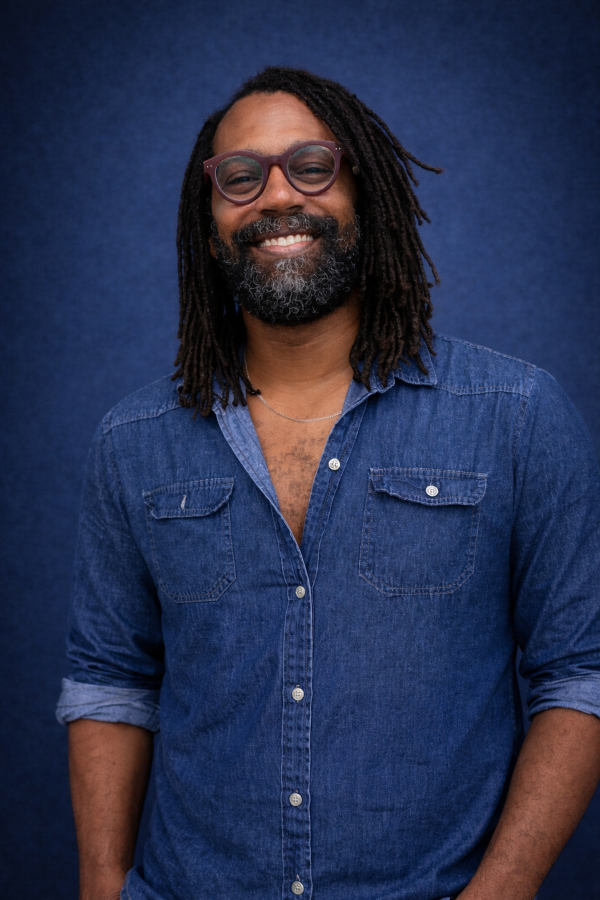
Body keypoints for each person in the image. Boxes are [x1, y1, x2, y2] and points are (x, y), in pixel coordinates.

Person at [56, 66, 600, 900]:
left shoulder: (518, 414)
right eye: (241, 177)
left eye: (312, 167)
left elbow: (580, 675)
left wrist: (502, 891)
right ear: (209, 224)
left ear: (365, 196)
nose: (278, 195)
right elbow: (111, 681)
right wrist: (102, 887)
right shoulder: (134, 441)